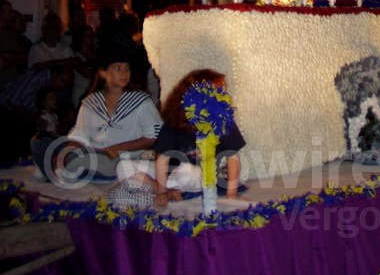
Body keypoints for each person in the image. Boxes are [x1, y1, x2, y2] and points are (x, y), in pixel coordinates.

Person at [33, 42, 162, 182]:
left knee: (81, 161)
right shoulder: (91, 102)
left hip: (124, 158)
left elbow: (152, 136)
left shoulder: (141, 101)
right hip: (94, 153)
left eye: (127, 68)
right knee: (40, 142)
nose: (124, 73)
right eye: (118, 68)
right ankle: (65, 167)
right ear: (103, 73)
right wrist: (63, 154)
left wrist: (118, 148)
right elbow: (80, 136)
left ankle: (64, 170)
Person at [116, 68, 247, 207]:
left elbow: (233, 158)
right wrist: (161, 191)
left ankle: (166, 189)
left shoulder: (223, 122)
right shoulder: (174, 123)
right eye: (213, 93)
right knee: (123, 166)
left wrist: (231, 193)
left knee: (188, 171)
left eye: (221, 92)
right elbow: (162, 159)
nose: (219, 98)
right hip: (169, 175)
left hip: (199, 176)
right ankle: (164, 190)